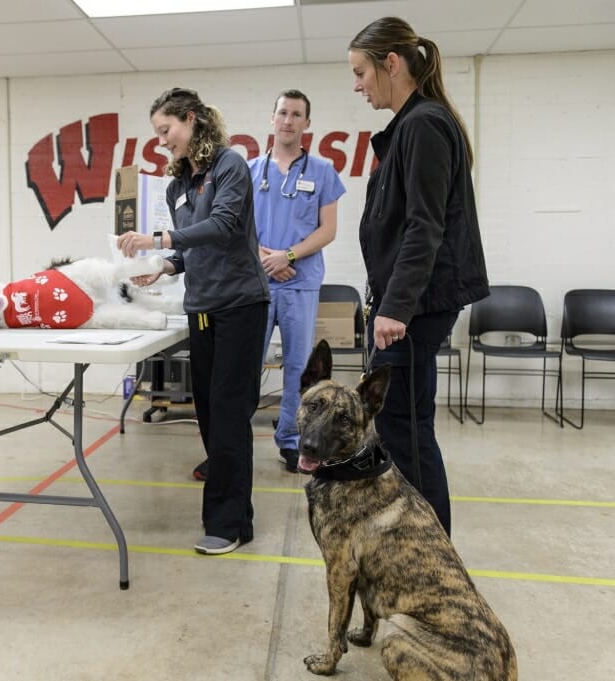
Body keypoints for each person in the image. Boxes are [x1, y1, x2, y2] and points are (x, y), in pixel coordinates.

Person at [348, 17, 489, 535]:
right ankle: (424, 547)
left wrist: (395, 308)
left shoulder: (424, 124)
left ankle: (430, 555)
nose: (357, 84)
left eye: (362, 71)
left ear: (392, 63)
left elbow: (424, 226)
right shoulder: (411, 126)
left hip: (414, 309)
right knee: (404, 426)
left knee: (406, 432)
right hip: (409, 305)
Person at [117, 88, 269, 556]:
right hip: (201, 310)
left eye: (167, 130)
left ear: (191, 119)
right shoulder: (178, 184)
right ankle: (229, 509)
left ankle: (228, 524)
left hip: (241, 306)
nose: (163, 141)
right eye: (158, 134)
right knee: (206, 411)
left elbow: (223, 226)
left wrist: (158, 237)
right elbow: (190, 247)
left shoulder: (231, 166)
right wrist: (165, 264)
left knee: (227, 413)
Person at [247, 89, 345, 473]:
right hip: (256, 283)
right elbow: (238, 227)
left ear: (307, 124)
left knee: (298, 370)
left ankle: (291, 441)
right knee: (246, 367)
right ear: (272, 119)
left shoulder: (323, 172)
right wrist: (267, 260)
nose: (288, 120)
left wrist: (287, 256)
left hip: (300, 283)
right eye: (283, 113)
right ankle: (235, 440)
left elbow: (328, 230)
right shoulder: (250, 171)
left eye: (296, 114)